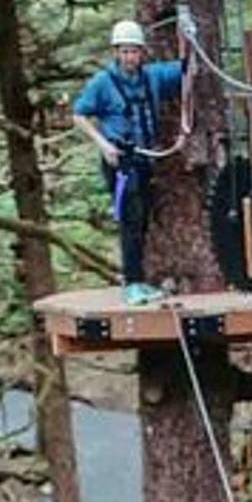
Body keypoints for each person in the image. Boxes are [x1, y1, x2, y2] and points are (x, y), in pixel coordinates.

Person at [70, 20, 183, 304]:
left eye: (134, 51)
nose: (130, 57)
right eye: (124, 51)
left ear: (142, 52)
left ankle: (138, 280)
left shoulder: (153, 77)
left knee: (142, 219)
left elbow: (187, 69)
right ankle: (131, 283)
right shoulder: (102, 83)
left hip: (144, 158)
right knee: (131, 220)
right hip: (119, 161)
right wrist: (103, 144)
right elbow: (79, 115)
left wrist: (190, 34)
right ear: (115, 52)